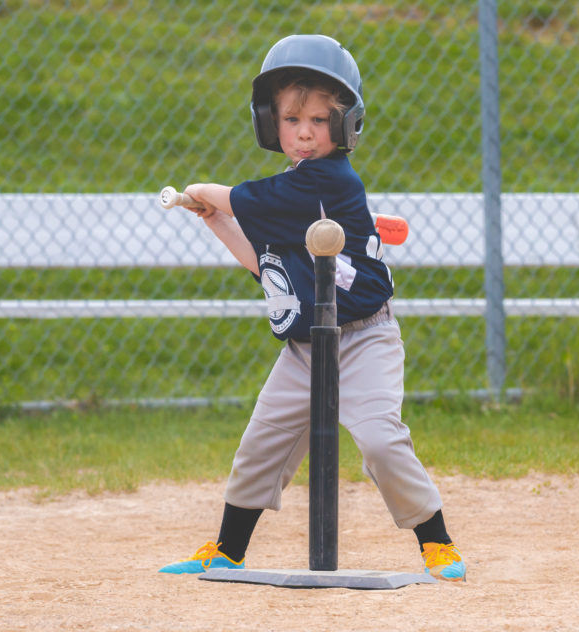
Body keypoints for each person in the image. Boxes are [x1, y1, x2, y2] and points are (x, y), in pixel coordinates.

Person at [157, 34, 465, 582]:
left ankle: (436, 543)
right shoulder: (289, 190)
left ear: (344, 127)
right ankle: (228, 549)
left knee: (377, 437)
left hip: (363, 336)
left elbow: (256, 200)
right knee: (262, 441)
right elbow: (264, 264)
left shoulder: (330, 181)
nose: (304, 132)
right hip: (306, 344)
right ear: (269, 123)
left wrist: (206, 189)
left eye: (321, 120)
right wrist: (216, 219)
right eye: (292, 118)